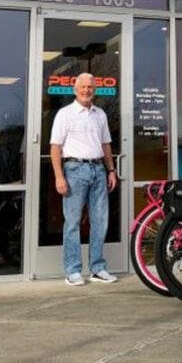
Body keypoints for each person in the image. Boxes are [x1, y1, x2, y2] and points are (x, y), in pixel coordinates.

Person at [50, 72, 118, 286]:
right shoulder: (65, 114)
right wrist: (59, 176)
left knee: (100, 221)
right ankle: (73, 271)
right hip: (74, 170)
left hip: (98, 170)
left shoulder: (100, 115)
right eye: (83, 87)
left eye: (90, 87)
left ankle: (97, 268)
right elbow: (55, 147)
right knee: (72, 223)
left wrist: (111, 170)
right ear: (75, 89)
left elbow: (106, 144)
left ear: (94, 90)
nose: (87, 90)